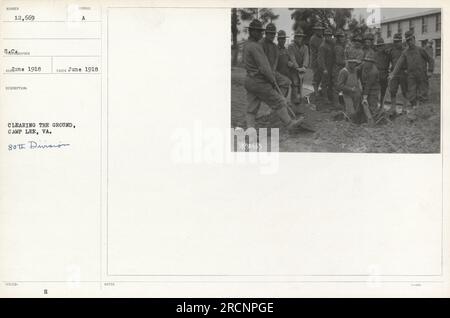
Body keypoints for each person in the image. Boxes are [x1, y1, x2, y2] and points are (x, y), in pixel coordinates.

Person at [242, 19, 305, 131]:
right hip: (260, 81)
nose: (261, 33)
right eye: (258, 31)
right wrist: (271, 79)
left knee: (251, 107)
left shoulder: (247, 45)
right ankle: (289, 123)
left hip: (250, 80)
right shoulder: (256, 46)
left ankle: (250, 130)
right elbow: (264, 66)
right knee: (279, 101)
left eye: (261, 31)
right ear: (252, 31)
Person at [390, 30, 434, 107]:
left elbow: (430, 60)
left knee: (423, 94)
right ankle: (414, 109)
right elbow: (398, 64)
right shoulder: (405, 52)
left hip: (422, 75)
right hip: (411, 76)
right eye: (407, 40)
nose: (409, 42)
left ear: (414, 39)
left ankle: (422, 112)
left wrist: (430, 71)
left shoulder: (420, 50)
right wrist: (393, 74)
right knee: (411, 94)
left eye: (411, 40)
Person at [259, 23, 291, 97]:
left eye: (273, 34)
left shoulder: (282, 49)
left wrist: (273, 71)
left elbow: (275, 62)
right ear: (266, 33)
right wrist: (270, 73)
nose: (272, 35)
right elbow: (261, 61)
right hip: (266, 74)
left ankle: (281, 102)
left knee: (285, 86)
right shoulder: (261, 44)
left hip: (278, 74)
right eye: (270, 34)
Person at [386, 32, 408, 114]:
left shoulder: (405, 50)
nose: (396, 43)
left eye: (398, 41)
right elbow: (389, 61)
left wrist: (407, 70)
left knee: (405, 90)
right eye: (395, 41)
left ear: (401, 41)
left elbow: (409, 61)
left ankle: (404, 109)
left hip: (403, 72)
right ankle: (393, 108)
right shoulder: (391, 51)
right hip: (394, 73)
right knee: (392, 90)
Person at [287, 28, 309, 104]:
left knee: (300, 84)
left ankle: (299, 101)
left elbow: (306, 57)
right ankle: (294, 101)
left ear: (302, 37)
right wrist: (297, 67)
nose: (299, 38)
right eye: (297, 36)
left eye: (300, 36)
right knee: (295, 84)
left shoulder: (305, 47)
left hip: (301, 69)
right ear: (295, 37)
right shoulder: (291, 46)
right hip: (293, 68)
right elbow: (292, 57)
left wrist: (304, 66)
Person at [337, 57, 362, 123]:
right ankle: (346, 121)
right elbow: (339, 85)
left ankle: (346, 119)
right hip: (347, 95)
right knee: (352, 112)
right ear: (349, 63)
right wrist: (350, 89)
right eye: (353, 63)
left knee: (356, 112)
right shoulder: (344, 72)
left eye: (355, 63)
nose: (355, 65)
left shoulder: (356, 70)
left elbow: (357, 80)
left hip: (356, 95)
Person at [360, 51, 380, 125]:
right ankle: (364, 119)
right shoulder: (363, 65)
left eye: (369, 61)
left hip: (373, 89)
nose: (367, 63)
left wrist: (365, 97)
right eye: (366, 61)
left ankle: (373, 121)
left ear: (372, 62)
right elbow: (357, 70)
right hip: (365, 87)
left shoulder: (373, 72)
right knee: (363, 105)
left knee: (372, 104)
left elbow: (368, 85)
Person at [317, 28, 335, 105]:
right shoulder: (322, 46)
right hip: (325, 67)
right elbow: (321, 59)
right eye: (327, 35)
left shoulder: (332, 44)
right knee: (324, 83)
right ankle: (325, 98)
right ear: (324, 36)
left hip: (331, 66)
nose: (328, 37)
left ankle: (329, 96)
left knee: (331, 82)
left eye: (330, 35)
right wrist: (324, 69)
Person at [309, 22, 325, 97]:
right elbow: (318, 50)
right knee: (317, 76)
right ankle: (316, 92)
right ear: (315, 30)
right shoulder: (313, 39)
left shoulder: (322, 38)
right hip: (315, 60)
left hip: (322, 60)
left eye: (321, 30)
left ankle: (321, 91)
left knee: (323, 76)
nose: (320, 31)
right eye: (318, 30)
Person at [374, 37, 390, 109]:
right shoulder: (375, 54)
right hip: (376, 74)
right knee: (376, 90)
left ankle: (382, 105)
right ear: (377, 47)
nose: (380, 48)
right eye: (378, 46)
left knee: (383, 90)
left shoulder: (387, 54)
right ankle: (375, 105)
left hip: (384, 73)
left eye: (381, 46)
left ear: (383, 46)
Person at [332, 29, 346, 109]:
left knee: (340, 86)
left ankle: (340, 102)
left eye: (342, 36)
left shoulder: (341, 46)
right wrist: (347, 62)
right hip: (337, 68)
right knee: (337, 87)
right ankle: (336, 104)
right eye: (340, 37)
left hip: (340, 68)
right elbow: (339, 60)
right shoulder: (338, 47)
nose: (342, 38)